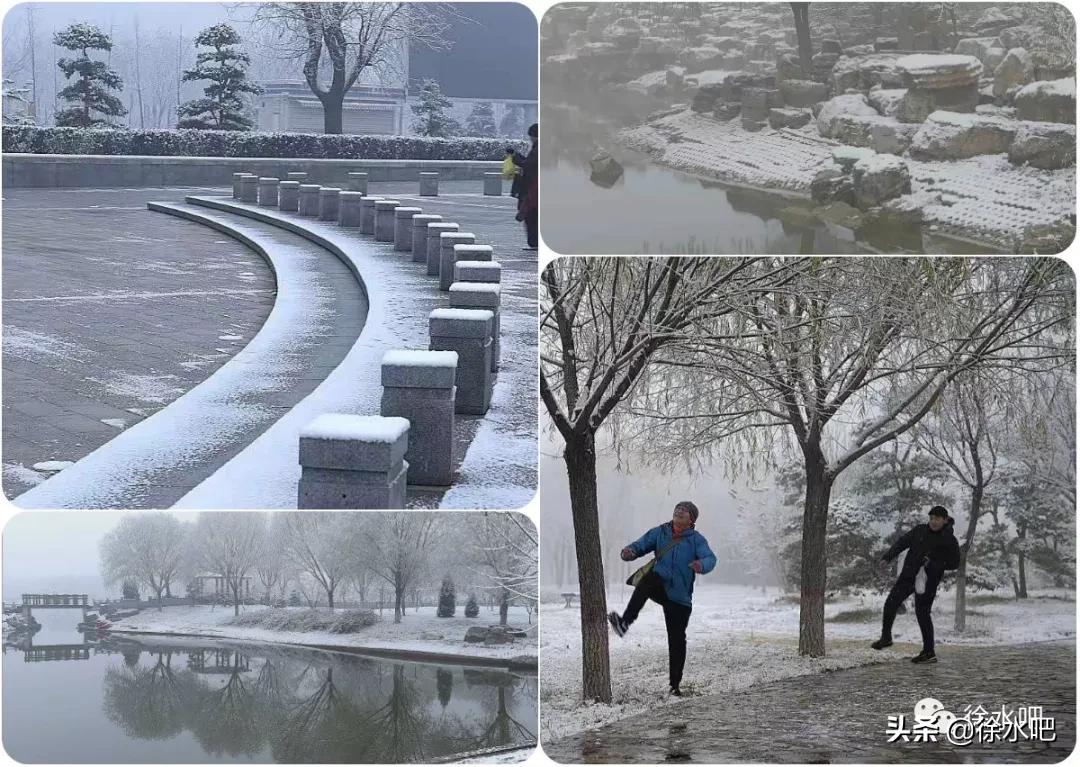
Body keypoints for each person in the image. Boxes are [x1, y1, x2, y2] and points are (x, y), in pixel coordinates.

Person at [608, 501, 717, 696]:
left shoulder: (696, 540)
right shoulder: (661, 532)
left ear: (691, 519)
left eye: (684, 511)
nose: (679, 512)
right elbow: (641, 544)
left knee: (676, 640)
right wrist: (629, 552)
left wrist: (701, 565)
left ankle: (674, 686)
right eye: (677, 509)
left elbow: (711, 558)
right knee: (649, 580)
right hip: (660, 586)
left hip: (680, 597)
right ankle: (624, 622)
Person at [872, 505, 961, 663]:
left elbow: (955, 563)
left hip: (928, 581)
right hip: (908, 576)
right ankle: (886, 638)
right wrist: (887, 557)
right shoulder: (920, 530)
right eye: (931, 518)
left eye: (937, 519)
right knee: (891, 603)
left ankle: (929, 652)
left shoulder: (949, 540)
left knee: (922, 614)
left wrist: (933, 563)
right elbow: (902, 542)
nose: (933, 521)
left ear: (945, 520)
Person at [513, 123, 538, 251]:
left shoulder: (538, 149)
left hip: (533, 188)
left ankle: (534, 242)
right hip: (535, 187)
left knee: (531, 214)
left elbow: (529, 165)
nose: (530, 139)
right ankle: (535, 242)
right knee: (532, 214)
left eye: (531, 136)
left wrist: (516, 158)